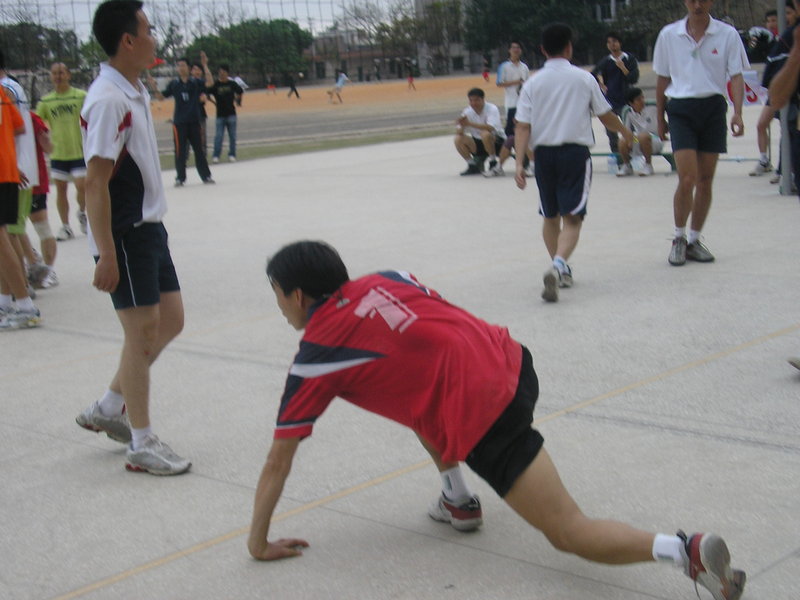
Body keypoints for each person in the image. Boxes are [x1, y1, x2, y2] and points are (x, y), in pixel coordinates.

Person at [247, 240, 747, 600]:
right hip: (513, 360)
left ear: (297, 296)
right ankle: (458, 499)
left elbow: (277, 462)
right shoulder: (388, 277)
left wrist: (257, 543)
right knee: (421, 396)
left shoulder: (317, 355)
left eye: (277, 294)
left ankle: (685, 551)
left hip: (487, 412)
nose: (279, 306)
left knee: (568, 531)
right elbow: (430, 334)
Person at [75, 0, 191, 475]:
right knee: (141, 333)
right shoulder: (108, 100)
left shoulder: (133, 89)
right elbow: (95, 182)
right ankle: (141, 442)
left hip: (149, 228)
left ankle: (108, 406)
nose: (153, 37)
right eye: (147, 29)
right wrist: (105, 252)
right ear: (128, 40)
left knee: (171, 320)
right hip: (124, 234)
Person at [514, 23, 633, 303]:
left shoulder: (532, 83)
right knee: (573, 218)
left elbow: (522, 126)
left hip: (543, 156)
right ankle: (558, 266)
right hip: (574, 154)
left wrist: (519, 163)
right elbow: (605, 115)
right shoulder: (583, 78)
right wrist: (625, 132)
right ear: (569, 47)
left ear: (543, 50)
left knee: (550, 215)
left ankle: (561, 268)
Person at [654, 0, 748, 267]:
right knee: (687, 178)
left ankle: (694, 240)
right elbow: (662, 78)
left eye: (703, 0)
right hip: (681, 108)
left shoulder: (727, 34)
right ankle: (679, 238)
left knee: (706, 179)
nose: (697, 5)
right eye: (692, 0)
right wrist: (660, 118)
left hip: (713, 107)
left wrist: (738, 112)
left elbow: (736, 76)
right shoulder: (669, 34)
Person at [0, 73, 41, 330]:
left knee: (3, 244)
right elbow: (18, 126)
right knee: (4, 241)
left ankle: (25, 307)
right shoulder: (2, 94)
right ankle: (5, 302)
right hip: (7, 171)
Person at [35, 62, 88, 241]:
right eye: (55, 73)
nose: (58, 76)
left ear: (68, 75)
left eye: (61, 73)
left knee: (82, 186)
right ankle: (65, 227)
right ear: (51, 76)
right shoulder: (46, 101)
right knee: (61, 190)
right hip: (58, 153)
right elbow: (37, 123)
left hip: (78, 150)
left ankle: (82, 212)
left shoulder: (80, 96)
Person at [148, 54, 214, 186]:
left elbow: (210, 83)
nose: (180, 68)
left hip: (195, 122)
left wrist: (205, 65)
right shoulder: (174, 84)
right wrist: (154, 87)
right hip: (179, 123)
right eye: (178, 66)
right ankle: (180, 178)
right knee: (180, 151)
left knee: (199, 150)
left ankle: (206, 176)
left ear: (188, 68)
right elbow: (161, 97)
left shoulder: (195, 82)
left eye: (183, 65)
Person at [751, 3, 798, 178]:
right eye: (768, 21)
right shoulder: (774, 39)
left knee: (787, 129)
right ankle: (768, 162)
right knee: (765, 125)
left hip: (789, 93)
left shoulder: (790, 36)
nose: (772, 24)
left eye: (774, 20)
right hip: (779, 90)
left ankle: (784, 170)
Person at [26, 110, 59, 289]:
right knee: (12, 230)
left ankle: (47, 270)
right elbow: (48, 147)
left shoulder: (30, 118)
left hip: (32, 181)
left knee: (41, 227)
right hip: (15, 180)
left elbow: (48, 146)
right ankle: (33, 261)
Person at [591, 32, 639, 156]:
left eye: (614, 41)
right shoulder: (606, 61)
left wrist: (623, 68)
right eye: (609, 42)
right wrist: (601, 85)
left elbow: (634, 78)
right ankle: (617, 154)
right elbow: (593, 74)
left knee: (630, 128)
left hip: (626, 99)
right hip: (610, 99)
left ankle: (634, 151)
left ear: (620, 43)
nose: (612, 45)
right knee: (611, 130)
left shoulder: (629, 58)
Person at [454, 87, 505, 176]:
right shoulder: (467, 111)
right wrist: (461, 126)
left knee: (485, 134)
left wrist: (469, 124)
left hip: (496, 142)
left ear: (483, 99)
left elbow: (490, 128)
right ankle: (472, 165)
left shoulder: (492, 109)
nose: (473, 103)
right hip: (478, 142)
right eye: (471, 100)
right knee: (458, 139)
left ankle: (493, 161)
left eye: (476, 100)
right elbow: (459, 131)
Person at [617, 87, 664, 177]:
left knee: (643, 136)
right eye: (638, 99)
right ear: (631, 103)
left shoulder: (653, 105)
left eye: (642, 97)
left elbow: (667, 106)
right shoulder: (627, 111)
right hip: (638, 140)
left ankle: (648, 165)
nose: (642, 101)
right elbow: (626, 131)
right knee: (622, 140)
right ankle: (627, 165)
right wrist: (629, 141)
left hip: (656, 140)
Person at [207, 63, 244, 163]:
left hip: (231, 114)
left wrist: (238, 101)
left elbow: (240, 91)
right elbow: (207, 92)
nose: (221, 73)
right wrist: (213, 102)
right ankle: (216, 155)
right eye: (220, 72)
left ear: (227, 73)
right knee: (218, 136)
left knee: (232, 136)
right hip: (220, 115)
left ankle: (232, 154)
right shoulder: (216, 85)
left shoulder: (232, 84)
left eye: (223, 72)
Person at [496, 42, 530, 137]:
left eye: (518, 48)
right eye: (513, 48)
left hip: (523, 103)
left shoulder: (524, 67)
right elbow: (499, 83)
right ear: (509, 50)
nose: (516, 50)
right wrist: (516, 82)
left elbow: (527, 83)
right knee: (510, 129)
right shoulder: (504, 66)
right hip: (511, 102)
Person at [190, 62, 209, 157]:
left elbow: (204, 98)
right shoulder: (187, 83)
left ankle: (203, 155)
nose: (197, 72)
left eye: (199, 70)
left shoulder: (203, 84)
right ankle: (184, 157)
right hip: (188, 115)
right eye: (194, 69)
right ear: (191, 71)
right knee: (187, 138)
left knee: (202, 136)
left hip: (200, 113)